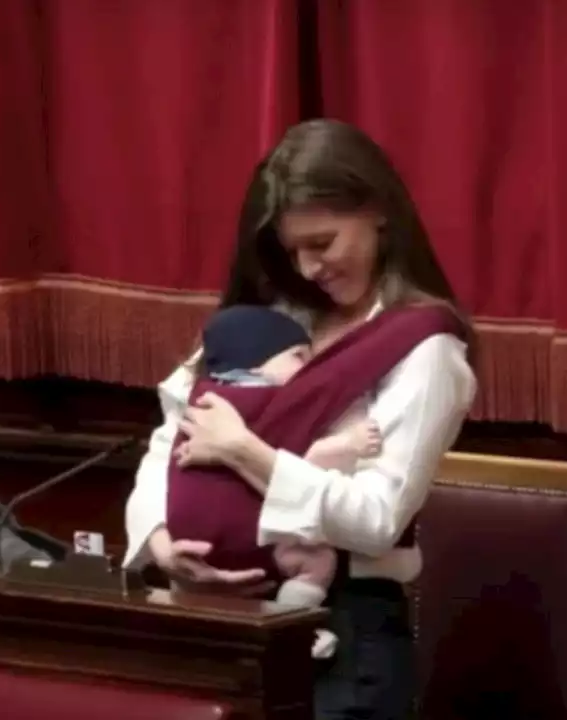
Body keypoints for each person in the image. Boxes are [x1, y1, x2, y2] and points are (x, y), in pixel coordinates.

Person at [124, 118, 477, 720]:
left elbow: (374, 522)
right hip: (220, 619)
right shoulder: (272, 321)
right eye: (293, 251)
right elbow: (170, 440)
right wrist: (161, 542)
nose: (311, 267)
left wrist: (244, 451)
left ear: (379, 213)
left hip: (344, 632)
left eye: (324, 242)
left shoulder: (426, 347)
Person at [167, 303, 383, 660]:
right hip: (254, 542)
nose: (307, 369)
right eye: (298, 356)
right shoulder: (277, 402)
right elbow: (299, 465)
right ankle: (297, 626)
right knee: (317, 562)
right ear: (258, 361)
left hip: (189, 545)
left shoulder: (199, 399)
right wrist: (349, 444)